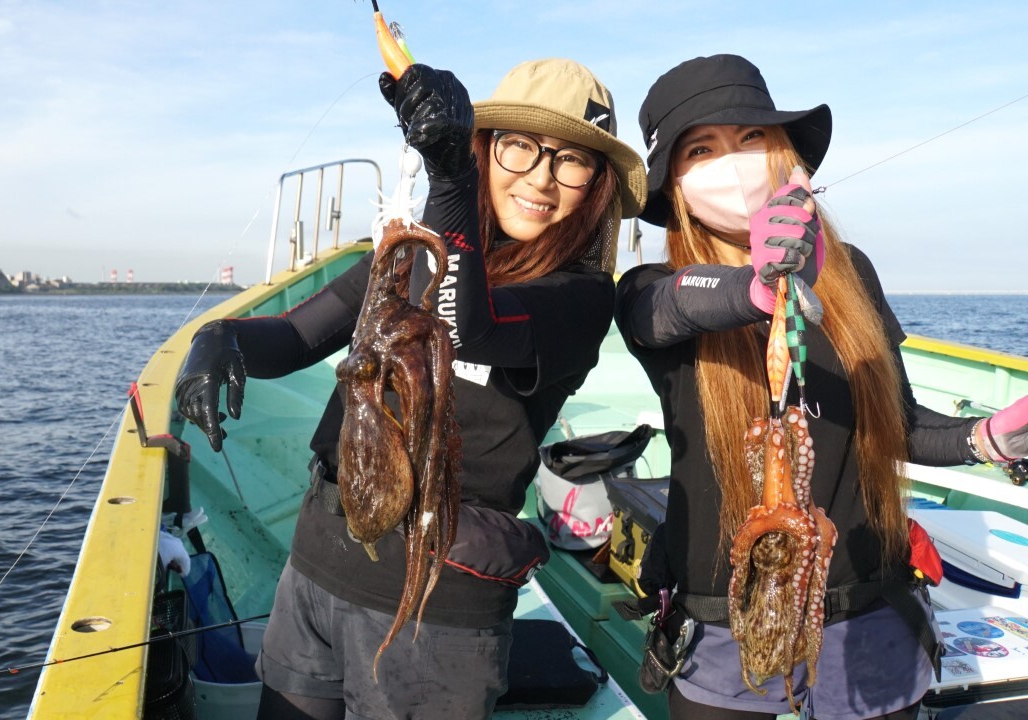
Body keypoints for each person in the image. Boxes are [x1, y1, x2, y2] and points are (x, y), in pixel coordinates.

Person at [175, 58, 646, 719]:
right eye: (520, 146)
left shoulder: (580, 297)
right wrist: (221, 339)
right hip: (316, 566)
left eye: (573, 161)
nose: (542, 176)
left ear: (596, 185)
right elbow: (297, 336)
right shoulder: (407, 256)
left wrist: (452, 177)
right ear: (489, 147)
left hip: (436, 609)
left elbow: (461, 323)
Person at [615, 54, 1028, 720]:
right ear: (676, 184)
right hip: (722, 625)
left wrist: (988, 439)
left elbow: (899, 424)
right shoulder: (648, 291)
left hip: (866, 619)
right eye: (702, 148)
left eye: (752, 138)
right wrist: (757, 287)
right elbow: (669, 311)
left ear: (785, 153)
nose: (736, 161)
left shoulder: (851, 272)